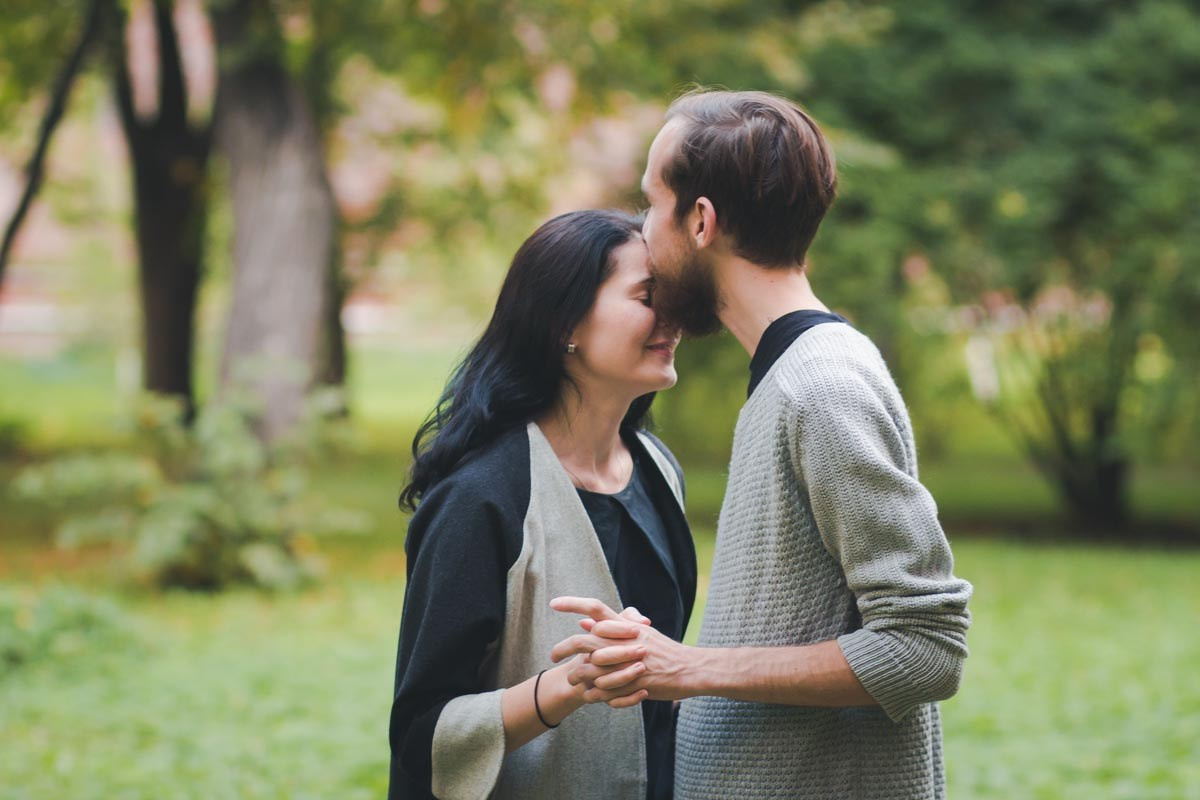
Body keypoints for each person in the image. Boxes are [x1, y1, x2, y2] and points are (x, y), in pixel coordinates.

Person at [550, 90, 973, 799]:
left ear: (702, 220)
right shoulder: (791, 379)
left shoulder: (822, 387)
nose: (643, 233)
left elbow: (925, 647)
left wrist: (686, 668)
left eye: (652, 205)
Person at [389, 209, 696, 800]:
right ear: (564, 326)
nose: (673, 317)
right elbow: (421, 737)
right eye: (647, 296)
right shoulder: (479, 499)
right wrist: (565, 686)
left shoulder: (660, 470)